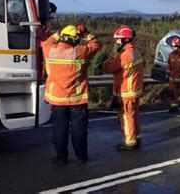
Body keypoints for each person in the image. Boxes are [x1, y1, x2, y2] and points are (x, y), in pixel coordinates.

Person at [42, 24, 100, 165]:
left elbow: (47, 42)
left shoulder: (49, 50)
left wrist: (58, 33)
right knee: (79, 130)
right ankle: (82, 157)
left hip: (58, 99)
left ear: (62, 37)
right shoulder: (80, 51)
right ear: (75, 40)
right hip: (77, 99)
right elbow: (96, 45)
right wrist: (86, 33)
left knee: (59, 130)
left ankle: (61, 158)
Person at [103, 25, 144, 151]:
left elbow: (109, 68)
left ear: (126, 40)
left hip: (127, 91)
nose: (117, 42)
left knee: (126, 117)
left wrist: (106, 62)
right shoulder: (135, 52)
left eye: (119, 40)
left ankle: (129, 142)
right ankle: (136, 137)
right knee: (134, 115)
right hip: (135, 91)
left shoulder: (125, 56)